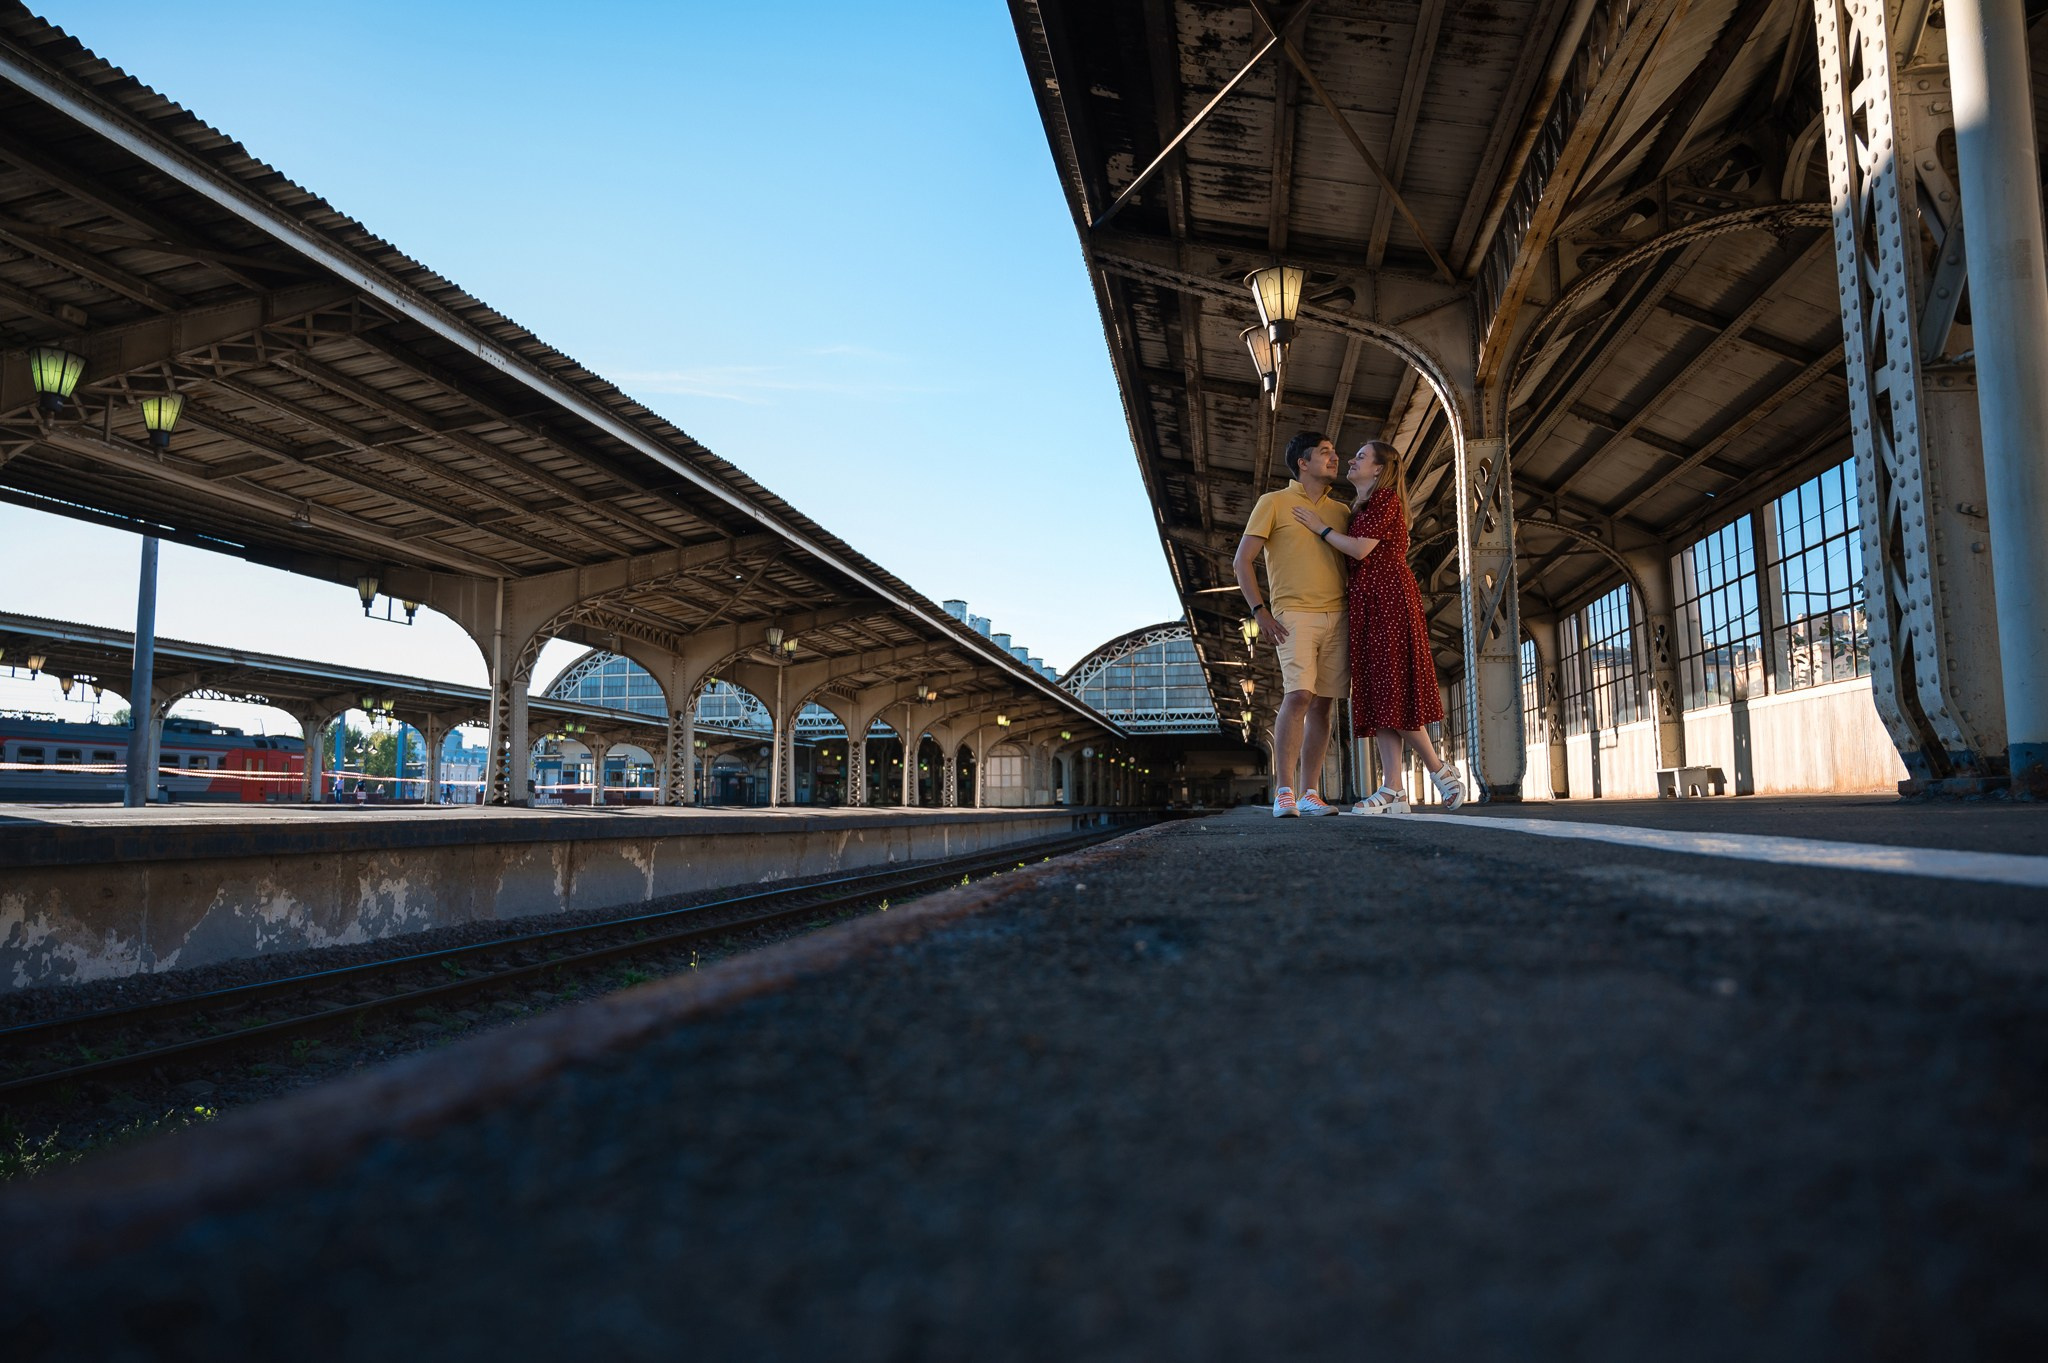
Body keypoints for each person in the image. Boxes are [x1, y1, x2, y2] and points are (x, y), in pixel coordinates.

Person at [1294, 439, 1468, 813]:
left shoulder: (1385, 499)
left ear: (1378, 469)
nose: (1352, 461)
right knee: (1377, 695)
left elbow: (1359, 550)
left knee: (1391, 689)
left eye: (1361, 456)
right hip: (1369, 603)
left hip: (1388, 599)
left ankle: (1440, 771)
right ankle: (1393, 790)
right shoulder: (1362, 507)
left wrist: (1318, 527)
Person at [1235, 431, 1352, 817]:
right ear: (1303, 462)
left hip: (1339, 613)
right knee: (1299, 694)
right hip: (1294, 614)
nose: (1333, 458)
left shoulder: (1342, 512)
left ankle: (1310, 793)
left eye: (1334, 452)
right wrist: (1260, 611)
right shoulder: (1273, 502)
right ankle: (1284, 791)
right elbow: (1242, 561)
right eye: (1324, 453)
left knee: (1323, 705)